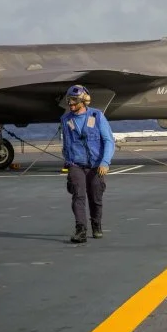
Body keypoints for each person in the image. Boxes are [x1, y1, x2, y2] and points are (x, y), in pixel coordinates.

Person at [61, 84, 115, 244]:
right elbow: (66, 143)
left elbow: (108, 141)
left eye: (74, 100)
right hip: (75, 164)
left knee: (96, 197)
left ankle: (96, 225)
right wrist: (68, 161)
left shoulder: (97, 116)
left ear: (84, 101)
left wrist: (105, 162)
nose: (70, 104)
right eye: (69, 100)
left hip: (96, 165)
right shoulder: (66, 119)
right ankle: (81, 230)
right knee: (78, 195)